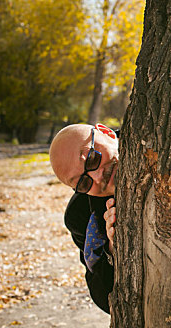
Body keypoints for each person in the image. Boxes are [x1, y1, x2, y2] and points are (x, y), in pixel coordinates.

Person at [49, 123, 118, 314]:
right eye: (82, 182)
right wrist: (112, 250)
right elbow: (105, 299)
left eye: (91, 158)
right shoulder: (80, 217)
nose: (97, 177)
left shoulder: (157, 134)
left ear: (106, 132)